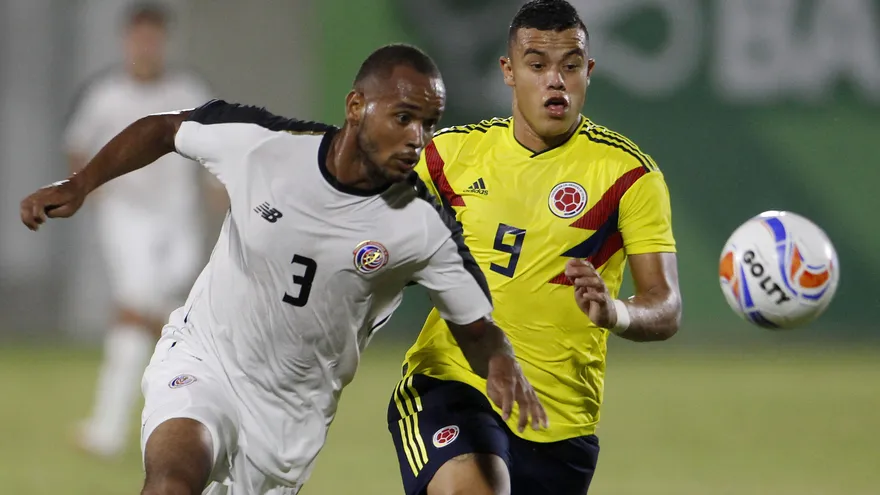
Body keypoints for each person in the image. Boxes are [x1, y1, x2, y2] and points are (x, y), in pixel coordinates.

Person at [22, 43, 547, 495]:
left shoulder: (422, 228)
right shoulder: (262, 146)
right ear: (356, 106)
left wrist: (499, 361)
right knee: (170, 481)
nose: (418, 139)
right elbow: (164, 129)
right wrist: (80, 183)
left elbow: (477, 329)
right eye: (404, 117)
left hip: (289, 419)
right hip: (207, 357)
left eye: (429, 124)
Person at [386, 1, 683, 494]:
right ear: (509, 71)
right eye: (538, 64)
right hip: (451, 385)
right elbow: (364, 218)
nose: (556, 81)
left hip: (560, 427)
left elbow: (666, 306)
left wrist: (615, 312)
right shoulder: (448, 156)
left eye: (570, 65)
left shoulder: (629, 176)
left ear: (588, 71)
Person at [63, 2, 215, 458]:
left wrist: (216, 189)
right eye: (139, 37)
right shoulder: (106, 95)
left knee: (165, 315)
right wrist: (92, 191)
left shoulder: (188, 90)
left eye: (154, 37)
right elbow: (77, 145)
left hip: (178, 217)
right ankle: (110, 429)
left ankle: (179, 406)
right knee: (136, 306)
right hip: (126, 217)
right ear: (126, 41)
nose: (146, 46)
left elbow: (213, 148)